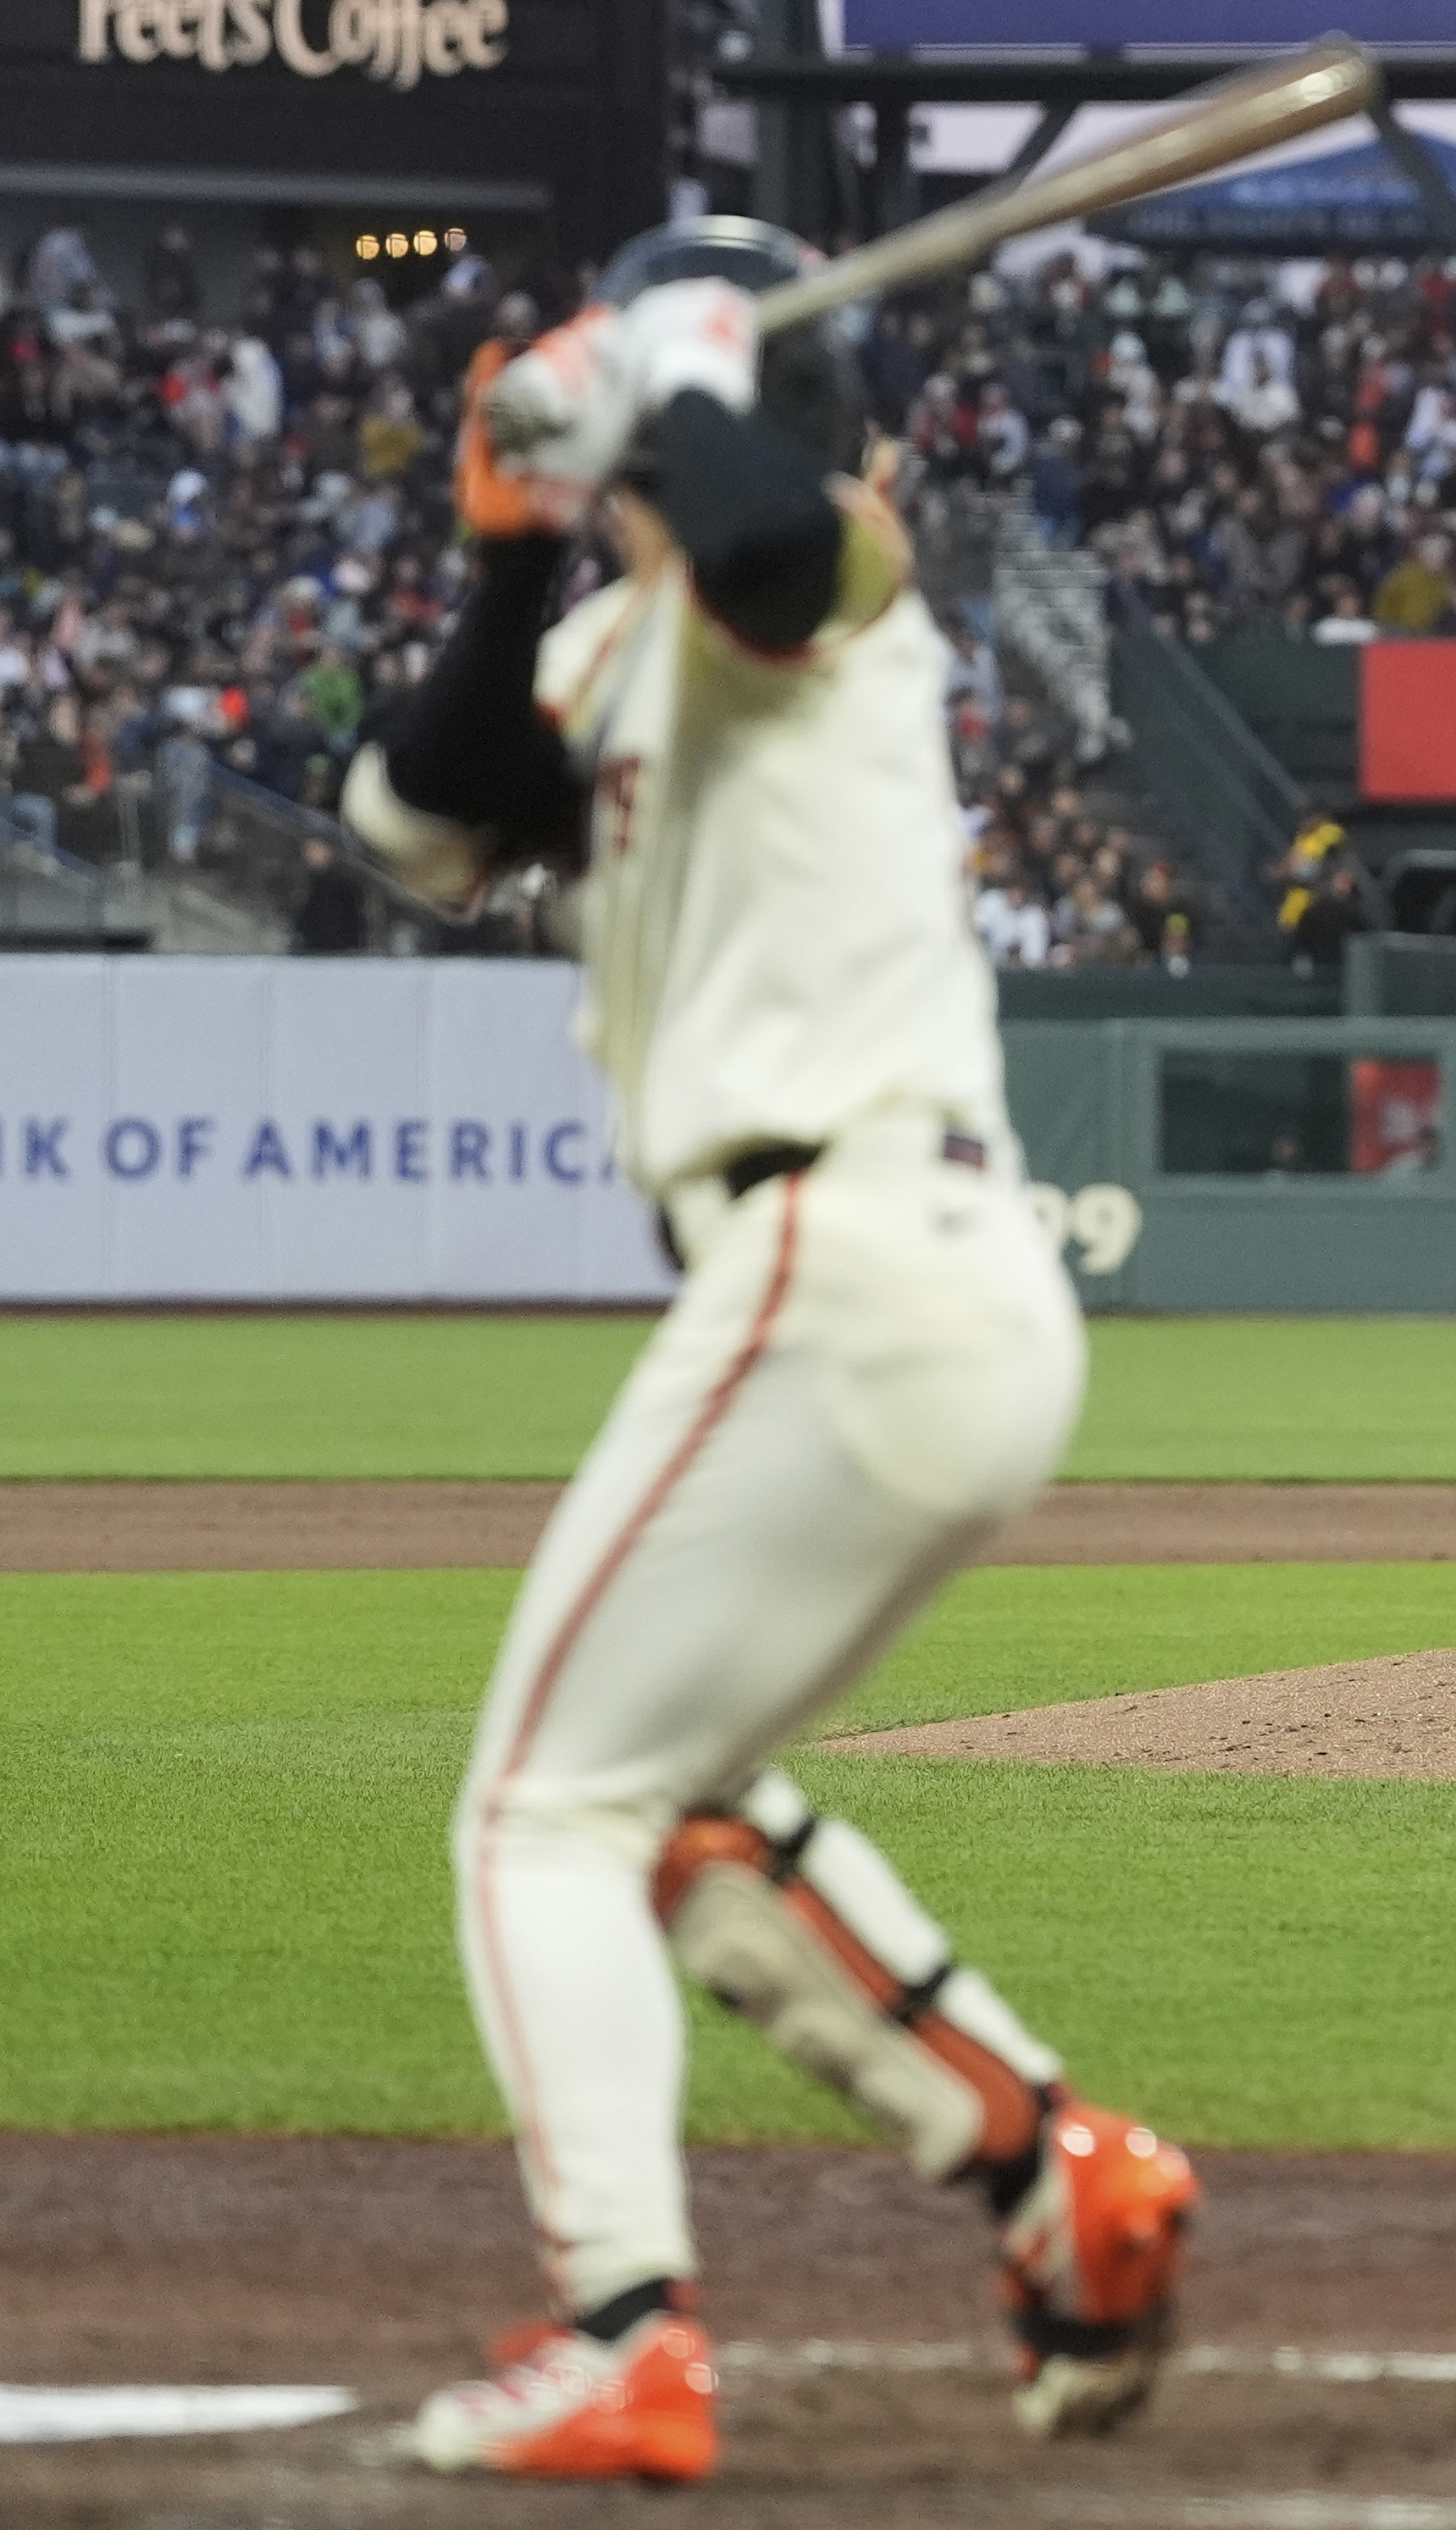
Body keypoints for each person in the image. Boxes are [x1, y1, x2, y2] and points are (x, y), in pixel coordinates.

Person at [336, 219, 1198, 2484]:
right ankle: (1048, 2170)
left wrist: (669, 382)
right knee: (667, 1802)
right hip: (902, 1282)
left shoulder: (834, 577)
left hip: (838, 1249)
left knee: (537, 1803)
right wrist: (511, 531)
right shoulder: (622, 636)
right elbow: (415, 814)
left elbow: (771, 551)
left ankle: (621, 2322)